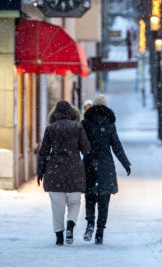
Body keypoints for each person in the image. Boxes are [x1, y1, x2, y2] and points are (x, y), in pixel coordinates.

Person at [37, 100, 91, 246]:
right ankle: (70, 226)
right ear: (72, 113)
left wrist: (40, 171)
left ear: (55, 114)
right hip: (74, 172)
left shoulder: (50, 128)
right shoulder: (77, 127)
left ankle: (59, 236)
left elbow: (43, 152)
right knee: (74, 202)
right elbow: (86, 148)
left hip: (55, 173)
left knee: (57, 207)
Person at [81, 94, 131, 245]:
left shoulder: (86, 123)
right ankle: (99, 233)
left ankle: (90, 223)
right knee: (104, 200)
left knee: (90, 196)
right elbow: (116, 146)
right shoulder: (109, 125)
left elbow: (81, 144)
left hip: (89, 163)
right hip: (106, 165)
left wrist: (85, 155)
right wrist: (125, 163)